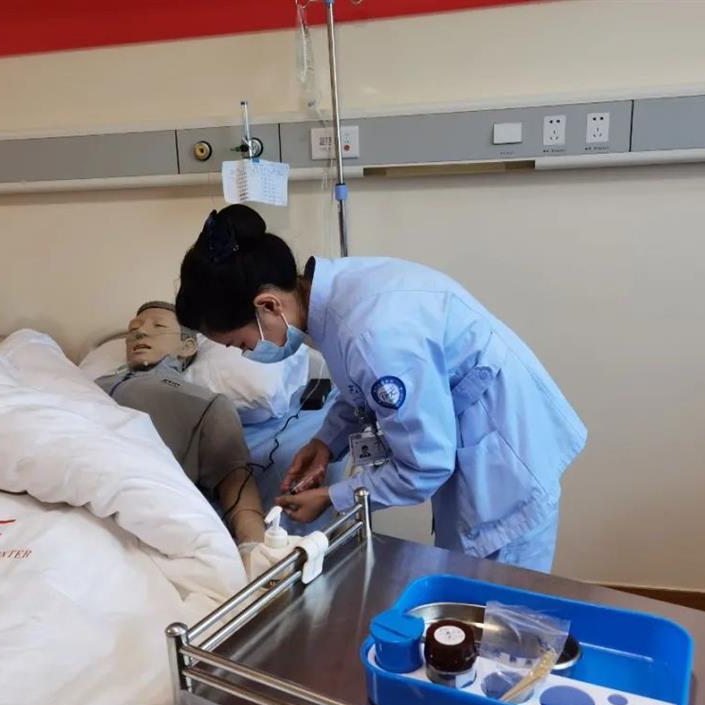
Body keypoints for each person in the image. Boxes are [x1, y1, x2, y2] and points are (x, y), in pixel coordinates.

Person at [175, 205, 587, 573]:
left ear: (268, 305)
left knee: (499, 609)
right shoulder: (334, 295)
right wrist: (325, 443)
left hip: (504, 459)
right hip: (482, 432)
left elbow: (425, 466)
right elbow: (360, 389)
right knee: (470, 588)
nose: (249, 354)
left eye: (242, 344)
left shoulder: (372, 334)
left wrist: (333, 497)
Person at [94, 301, 265, 545]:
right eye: (134, 328)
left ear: (187, 346)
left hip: (129, 512)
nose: (140, 332)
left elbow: (235, 478)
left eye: (158, 326)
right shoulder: (82, 384)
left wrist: (253, 544)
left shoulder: (204, 404)